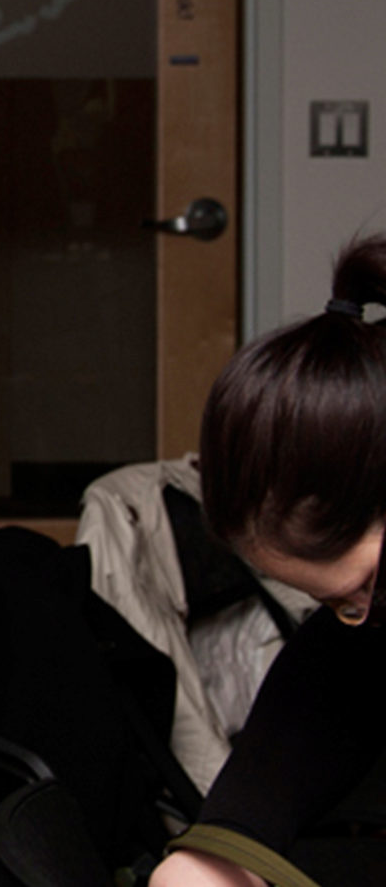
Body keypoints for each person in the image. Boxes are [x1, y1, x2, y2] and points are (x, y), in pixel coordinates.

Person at [151, 235, 386, 887]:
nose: (364, 613)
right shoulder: (358, 636)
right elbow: (229, 838)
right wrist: (205, 866)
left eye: (368, 582)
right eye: (340, 602)